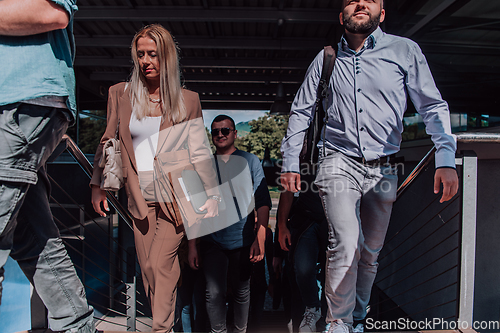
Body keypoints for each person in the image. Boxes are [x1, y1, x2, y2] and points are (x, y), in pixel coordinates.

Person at [280, 1, 459, 333]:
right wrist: (290, 162)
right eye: (350, 0)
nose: (359, 2)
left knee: (369, 253)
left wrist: (445, 158)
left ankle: (357, 318)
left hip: (385, 168)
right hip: (337, 161)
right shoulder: (327, 57)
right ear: (341, 15)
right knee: (345, 241)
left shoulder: (406, 51)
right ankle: (338, 322)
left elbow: (432, 106)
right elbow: (301, 112)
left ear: (382, 12)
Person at [91, 24, 220, 333]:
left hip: (177, 193)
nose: (146, 61)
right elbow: (108, 139)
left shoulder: (188, 100)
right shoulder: (120, 94)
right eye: (141, 55)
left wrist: (212, 193)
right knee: (148, 270)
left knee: (159, 264)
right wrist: (97, 184)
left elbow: (199, 150)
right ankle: (168, 325)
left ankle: (159, 329)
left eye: (153, 54)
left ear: (167, 58)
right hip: (137, 193)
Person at [0, 1, 95, 332]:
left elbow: (51, 13)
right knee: (35, 243)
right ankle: (76, 325)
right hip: (17, 104)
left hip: (18, 101)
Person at [188, 114, 272, 333]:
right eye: (215, 131)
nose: (220, 135)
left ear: (235, 133)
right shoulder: (204, 165)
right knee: (213, 292)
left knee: (242, 291)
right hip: (211, 239)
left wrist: (259, 238)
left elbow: (263, 202)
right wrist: (192, 246)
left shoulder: (250, 161)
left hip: (242, 239)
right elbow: (194, 210)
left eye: (225, 130)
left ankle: (240, 330)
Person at [277, 164, 328, 333]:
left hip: (333, 220)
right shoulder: (301, 149)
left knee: (332, 276)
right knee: (301, 271)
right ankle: (309, 312)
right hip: (303, 221)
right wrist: (282, 226)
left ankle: (326, 323)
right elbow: (288, 191)